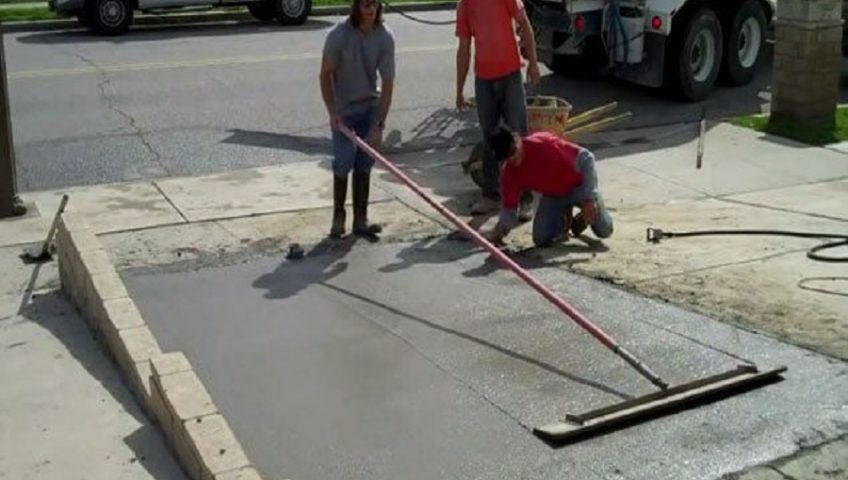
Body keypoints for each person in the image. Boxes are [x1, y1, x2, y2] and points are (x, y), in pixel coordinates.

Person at [455, 0, 541, 217]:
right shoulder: (465, 5)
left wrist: (533, 62)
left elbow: (525, 25)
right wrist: (459, 89)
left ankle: (525, 199)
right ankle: (490, 195)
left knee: (518, 134)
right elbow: (464, 47)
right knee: (489, 137)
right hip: (484, 79)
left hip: (510, 74)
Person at [320, 0, 395, 240]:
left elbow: (389, 84)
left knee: (364, 163)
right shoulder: (339, 35)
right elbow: (324, 75)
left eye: (374, 5)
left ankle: (360, 219)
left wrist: (378, 126)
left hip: (369, 107)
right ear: (356, 8)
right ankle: (338, 216)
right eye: (365, 5)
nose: (370, 10)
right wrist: (333, 112)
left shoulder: (384, 37)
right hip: (344, 112)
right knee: (343, 162)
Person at [481, 125, 614, 247]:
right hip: (553, 195)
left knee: (604, 230)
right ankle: (564, 220)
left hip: (579, 188)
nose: (513, 159)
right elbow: (509, 208)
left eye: (513, 152)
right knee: (541, 239)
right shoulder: (509, 173)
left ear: (517, 140)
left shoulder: (543, 144)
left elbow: (587, 158)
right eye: (507, 157)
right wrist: (499, 231)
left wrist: (589, 198)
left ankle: (593, 205)